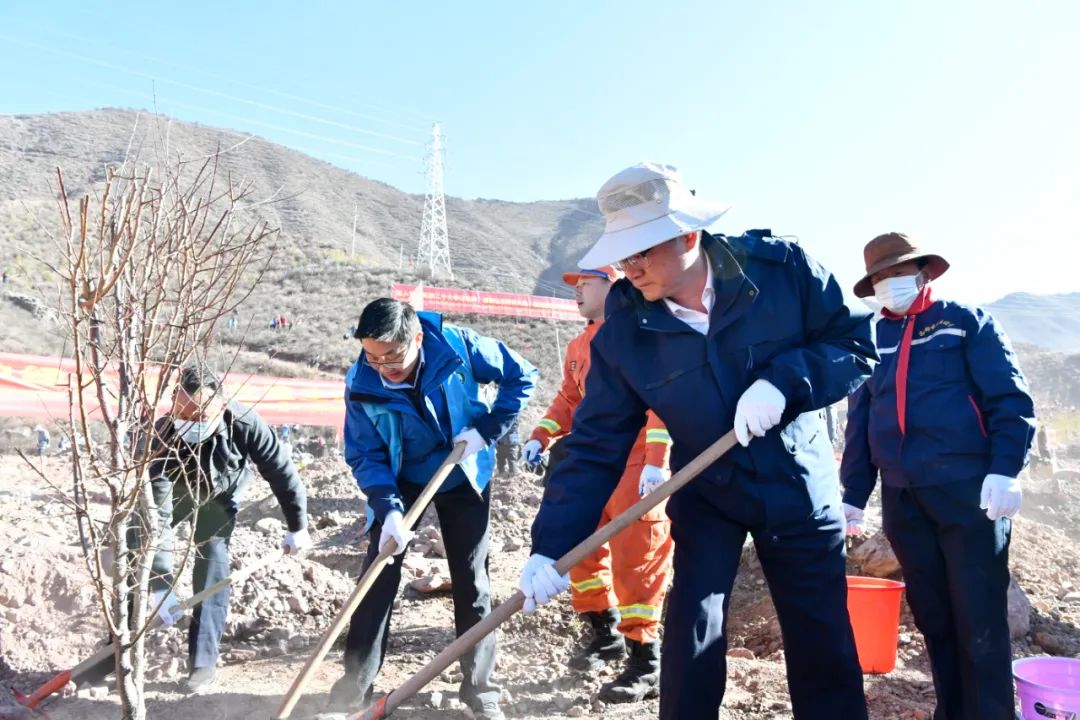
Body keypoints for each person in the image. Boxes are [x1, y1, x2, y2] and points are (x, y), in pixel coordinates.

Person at [518, 162, 875, 719]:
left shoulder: (781, 272)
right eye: (622, 256)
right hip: (708, 489)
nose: (629, 269)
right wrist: (552, 544)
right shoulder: (625, 333)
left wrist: (785, 382)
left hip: (797, 484)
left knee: (818, 629)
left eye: (642, 253)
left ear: (687, 234)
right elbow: (593, 445)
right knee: (691, 625)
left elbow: (855, 345)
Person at [841, 232, 1036, 719]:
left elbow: (1009, 399)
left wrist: (1005, 470)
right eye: (880, 277)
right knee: (934, 616)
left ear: (923, 271)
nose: (890, 284)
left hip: (968, 491)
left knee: (980, 616)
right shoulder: (871, 337)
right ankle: (950, 711)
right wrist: (854, 495)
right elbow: (861, 420)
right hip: (903, 498)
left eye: (898, 272)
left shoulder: (964, 322)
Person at [332, 298, 537, 719]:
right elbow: (365, 454)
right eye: (372, 356)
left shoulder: (457, 346)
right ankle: (353, 689)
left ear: (418, 337)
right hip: (400, 479)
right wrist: (388, 510)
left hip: (461, 471)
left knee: (471, 577)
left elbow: (522, 376)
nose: (384, 366)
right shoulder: (361, 383)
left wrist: (487, 430)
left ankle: (481, 691)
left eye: (392, 355)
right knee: (378, 573)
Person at [521, 264, 673, 703]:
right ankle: (601, 631)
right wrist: (542, 434)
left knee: (637, 556)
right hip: (595, 464)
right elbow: (570, 398)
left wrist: (657, 460)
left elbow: (662, 398)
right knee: (581, 551)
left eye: (586, 284)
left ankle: (645, 659)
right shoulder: (579, 345)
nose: (577, 292)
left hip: (639, 464)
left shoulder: (648, 335)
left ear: (615, 286)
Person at [129, 364, 310, 693]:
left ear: (221, 407)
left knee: (213, 561)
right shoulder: (162, 434)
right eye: (184, 415)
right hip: (174, 493)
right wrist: (160, 582)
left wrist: (297, 525)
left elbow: (282, 472)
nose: (191, 424)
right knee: (134, 555)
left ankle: (203, 663)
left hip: (218, 495)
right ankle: (121, 649)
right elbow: (157, 513)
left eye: (200, 417)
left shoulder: (244, 423)